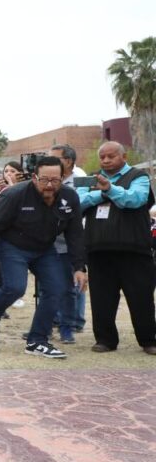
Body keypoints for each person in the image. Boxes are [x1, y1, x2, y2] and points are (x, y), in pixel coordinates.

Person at [0, 156, 87, 360]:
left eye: (55, 180)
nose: (49, 185)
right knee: (16, 287)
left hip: (45, 248)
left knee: (57, 289)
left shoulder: (69, 197)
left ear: (63, 178)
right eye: (44, 179)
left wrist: (79, 267)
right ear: (34, 177)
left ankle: (37, 340)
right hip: (12, 246)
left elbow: (75, 233)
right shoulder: (15, 194)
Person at [76, 142, 156, 355]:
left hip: (134, 249)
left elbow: (135, 199)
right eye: (102, 156)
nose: (105, 160)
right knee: (102, 298)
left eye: (111, 156)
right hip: (98, 249)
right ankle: (105, 340)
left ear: (124, 156)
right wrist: (102, 194)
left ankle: (149, 340)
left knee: (141, 297)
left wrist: (110, 189)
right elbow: (79, 202)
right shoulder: (90, 178)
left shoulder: (139, 176)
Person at [49, 144, 88, 342]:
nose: (51, 162)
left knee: (72, 283)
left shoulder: (79, 178)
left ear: (69, 161)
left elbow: (83, 203)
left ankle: (73, 323)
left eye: (56, 158)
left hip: (72, 238)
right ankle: (51, 322)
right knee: (47, 286)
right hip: (49, 239)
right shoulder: (45, 179)